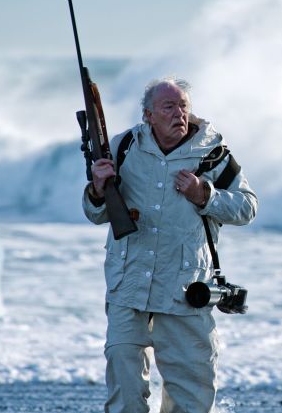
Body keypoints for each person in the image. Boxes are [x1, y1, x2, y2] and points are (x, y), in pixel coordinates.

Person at [82, 77, 258, 413]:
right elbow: (96, 213)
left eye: (184, 107)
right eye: (169, 107)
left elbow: (247, 207)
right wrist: (97, 189)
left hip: (184, 292)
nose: (179, 114)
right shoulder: (123, 148)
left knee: (191, 400)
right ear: (148, 115)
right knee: (125, 395)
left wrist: (204, 194)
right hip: (129, 287)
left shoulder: (214, 154)